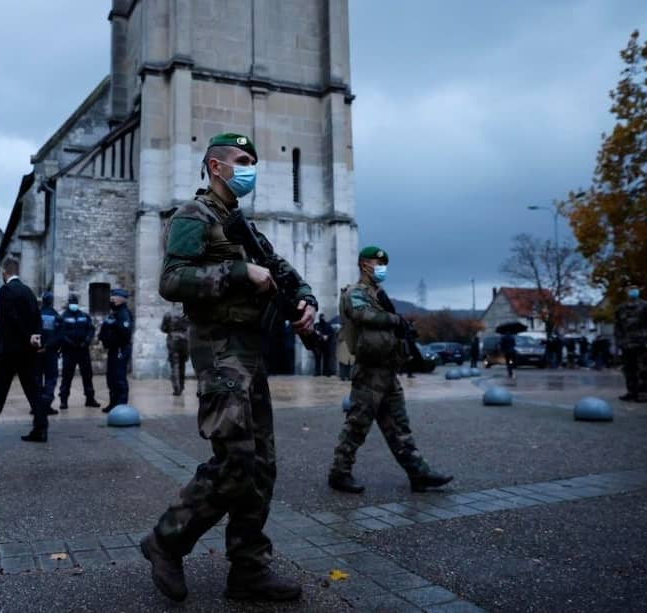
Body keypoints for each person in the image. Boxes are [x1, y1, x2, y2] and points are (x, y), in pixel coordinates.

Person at [140, 133, 317, 603]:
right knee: (236, 461)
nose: (250, 167)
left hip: (250, 352)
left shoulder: (243, 227)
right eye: (241, 159)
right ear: (215, 167)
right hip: (219, 351)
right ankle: (165, 540)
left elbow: (284, 272)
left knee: (261, 465)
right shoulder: (192, 216)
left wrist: (306, 301)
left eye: (253, 160)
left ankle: (249, 570)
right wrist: (240, 273)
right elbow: (171, 281)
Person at [328, 245, 453, 495]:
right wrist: (396, 321)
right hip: (369, 371)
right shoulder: (355, 293)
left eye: (384, 265)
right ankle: (339, 473)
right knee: (357, 424)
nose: (382, 269)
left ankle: (418, 473)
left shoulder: (379, 295)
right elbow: (362, 315)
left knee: (398, 425)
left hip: (387, 370)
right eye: (378, 264)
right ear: (364, 265)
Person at [0, 258, 49, 443]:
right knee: (33, 391)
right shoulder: (28, 292)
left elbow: (10, 319)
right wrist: (34, 337)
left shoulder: (6, 290)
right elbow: (37, 318)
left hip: (10, 352)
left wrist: (17, 339)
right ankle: (41, 429)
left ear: (4, 272)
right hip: (28, 351)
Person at [615, 284, 647, 402]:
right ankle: (632, 392)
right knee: (629, 371)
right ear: (626, 291)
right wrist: (619, 341)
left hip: (643, 343)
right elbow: (618, 326)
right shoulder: (620, 308)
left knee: (644, 370)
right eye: (630, 289)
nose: (632, 291)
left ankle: (644, 394)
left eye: (635, 289)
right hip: (627, 344)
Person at [58, 294, 101, 410]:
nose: (74, 305)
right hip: (69, 351)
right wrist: (69, 342)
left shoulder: (84, 316)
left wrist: (86, 341)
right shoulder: (63, 317)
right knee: (67, 376)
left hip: (83, 350)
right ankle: (63, 400)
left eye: (75, 303)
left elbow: (91, 329)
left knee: (87, 375)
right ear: (69, 304)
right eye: (72, 303)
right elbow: (60, 333)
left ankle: (90, 399)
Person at [98, 288, 134, 413]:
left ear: (122, 299)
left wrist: (113, 325)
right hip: (113, 349)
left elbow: (125, 332)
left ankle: (121, 405)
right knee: (111, 378)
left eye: (114, 297)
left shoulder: (124, 313)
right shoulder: (114, 312)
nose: (111, 299)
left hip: (120, 349)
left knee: (119, 378)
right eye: (111, 296)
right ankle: (113, 403)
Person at [35, 292, 61, 415]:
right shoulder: (56, 316)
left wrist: (39, 347)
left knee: (37, 378)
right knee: (51, 378)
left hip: (37, 352)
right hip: (51, 352)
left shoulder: (36, 315)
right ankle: (46, 405)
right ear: (51, 301)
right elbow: (60, 335)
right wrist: (48, 346)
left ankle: (37, 405)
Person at [160, 306, 190, 396]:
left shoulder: (168, 314)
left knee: (175, 365)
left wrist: (170, 331)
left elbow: (163, 328)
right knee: (182, 364)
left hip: (173, 341)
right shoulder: (186, 313)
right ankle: (181, 386)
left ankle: (177, 388)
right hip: (185, 340)